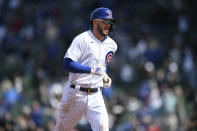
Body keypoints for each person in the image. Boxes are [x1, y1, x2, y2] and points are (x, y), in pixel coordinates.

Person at [54, 7, 117, 131]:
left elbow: (102, 65)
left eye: (110, 22)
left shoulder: (112, 45)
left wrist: (104, 76)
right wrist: (91, 70)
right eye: (105, 21)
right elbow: (67, 64)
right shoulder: (82, 39)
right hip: (75, 93)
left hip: (96, 95)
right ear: (95, 22)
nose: (108, 25)